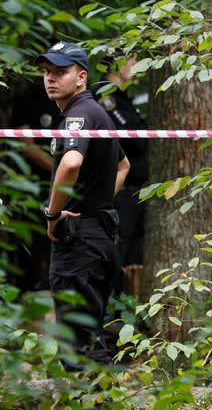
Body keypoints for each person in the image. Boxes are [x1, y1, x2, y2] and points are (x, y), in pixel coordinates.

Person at [35, 41, 130, 368]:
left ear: (81, 77)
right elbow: (123, 167)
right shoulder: (96, 113)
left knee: (81, 351)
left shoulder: (79, 115)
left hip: (80, 245)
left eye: (60, 72)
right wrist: (96, 202)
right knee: (86, 341)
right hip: (97, 237)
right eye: (47, 72)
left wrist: (52, 214)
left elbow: (71, 163)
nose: (50, 78)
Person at [98, 56, 149, 294]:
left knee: (134, 258)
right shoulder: (105, 97)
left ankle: (125, 314)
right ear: (117, 63)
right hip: (119, 192)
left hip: (136, 192)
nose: (139, 67)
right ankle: (107, 313)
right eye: (133, 60)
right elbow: (135, 141)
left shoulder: (125, 98)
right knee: (115, 254)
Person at [8, 79, 58, 292]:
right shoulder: (27, 99)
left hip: (69, 187)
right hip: (35, 188)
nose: (52, 76)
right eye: (47, 70)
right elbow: (27, 148)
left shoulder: (76, 103)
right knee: (35, 247)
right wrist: (62, 171)